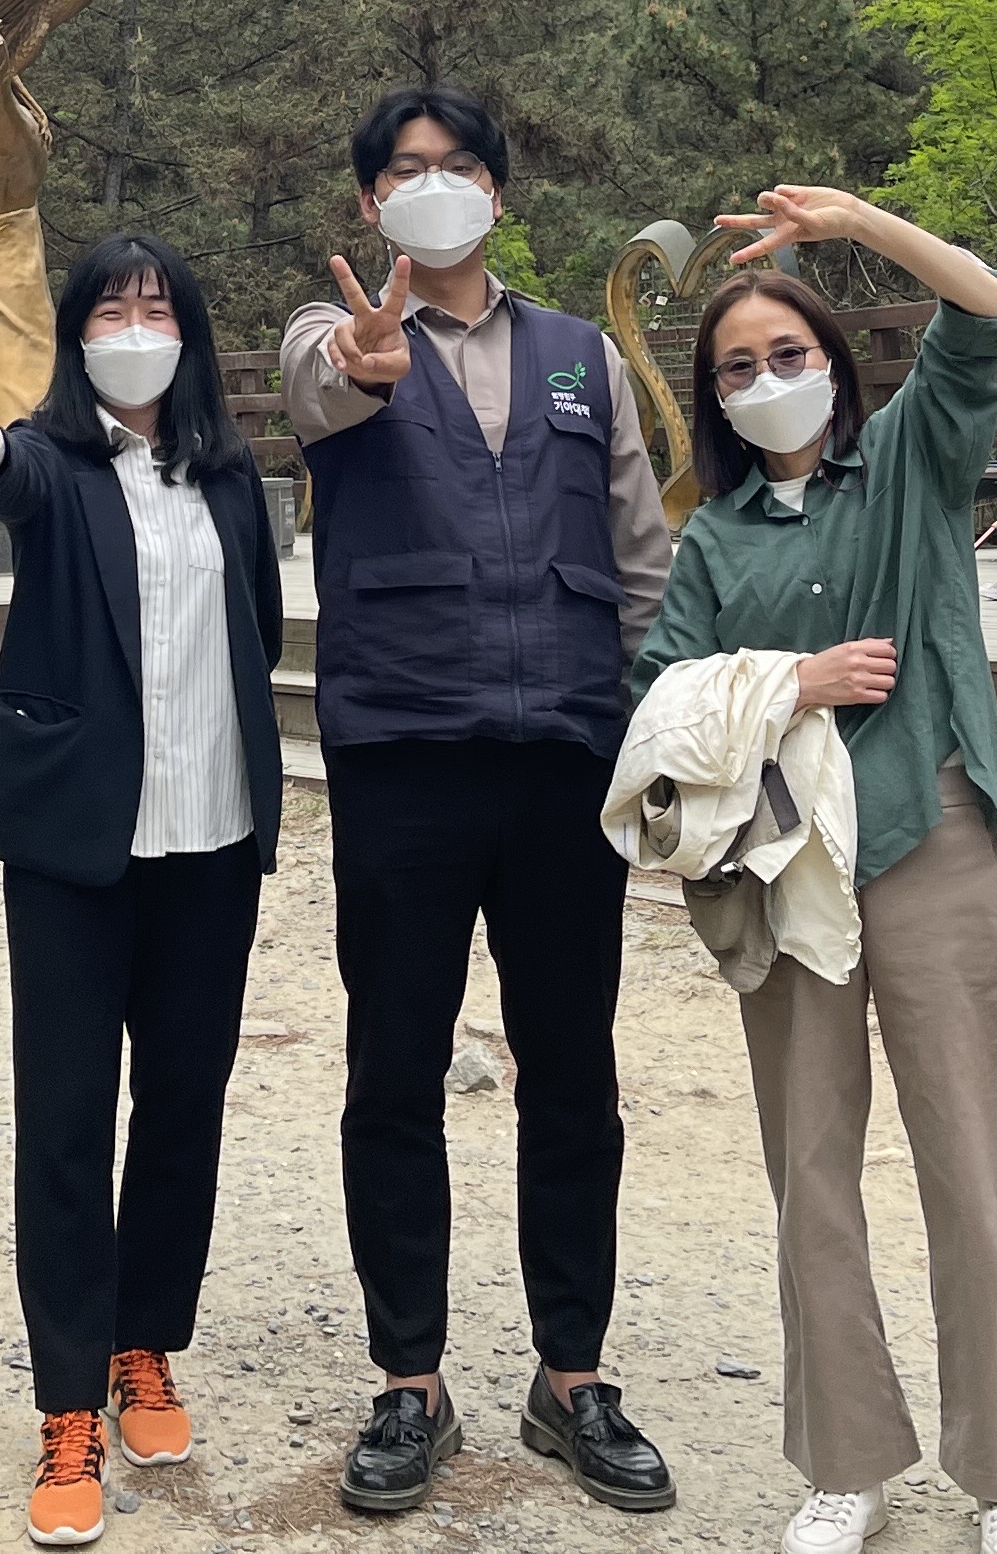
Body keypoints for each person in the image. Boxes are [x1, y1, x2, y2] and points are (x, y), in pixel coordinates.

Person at [633, 186, 997, 1554]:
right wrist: (789, 684)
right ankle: (846, 1462)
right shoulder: (714, 539)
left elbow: (986, 309)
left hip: (932, 831)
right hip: (783, 868)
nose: (769, 381)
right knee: (811, 1170)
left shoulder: (915, 462)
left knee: (977, 1162)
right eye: (739, 368)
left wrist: (863, 226)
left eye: (790, 353)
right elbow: (657, 702)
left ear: (833, 360)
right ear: (716, 396)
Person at [281, 86, 679, 1519]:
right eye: (404, 170)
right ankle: (412, 1381)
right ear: (370, 203)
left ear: (500, 195)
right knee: (393, 1069)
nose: (433, 185)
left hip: (568, 758)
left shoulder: (582, 358)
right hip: (405, 756)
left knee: (572, 1071)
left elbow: (640, 559)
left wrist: (658, 731)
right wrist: (365, 358)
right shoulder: (332, 337)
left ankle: (574, 1377)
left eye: (457, 167)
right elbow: (325, 389)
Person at [0, 236, 288, 1550]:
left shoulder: (231, 480)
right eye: (110, 309)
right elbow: (9, 482)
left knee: (184, 1109)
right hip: (76, 849)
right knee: (68, 1123)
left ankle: (147, 1346)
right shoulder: (55, 462)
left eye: (157, 307)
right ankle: (68, 1402)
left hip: (212, 840)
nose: (136, 327)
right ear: (77, 335)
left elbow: (257, 633)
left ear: (189, 333)